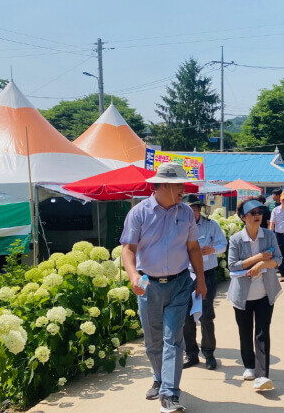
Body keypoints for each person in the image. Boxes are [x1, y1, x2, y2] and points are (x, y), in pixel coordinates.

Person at [120, 163, 207, 413]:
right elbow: (128, 248)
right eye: (178, 185)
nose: (183, 189)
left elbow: (192, 248)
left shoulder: (186, 213)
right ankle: (159, 377)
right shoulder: (139, 213)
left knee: (173, 339)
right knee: (153, 340)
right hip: (148, 283)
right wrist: (133, 275)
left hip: (180, 283)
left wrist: (200, 279)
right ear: (164, 186)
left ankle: (170, 393)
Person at [227, 199, 283, 391]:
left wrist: (263, 265)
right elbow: (232, 266)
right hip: (241, 296)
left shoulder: (269, 235)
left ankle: (262, 375)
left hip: (264, 294)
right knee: (244, 332)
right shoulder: (235, 239)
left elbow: (278, 259)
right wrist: (258, 258)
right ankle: (249, 365)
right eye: (252, 213)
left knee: (262, 333)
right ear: (243, 217)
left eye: (259, 211)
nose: (257, 215)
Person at [183, 195, 228, 370]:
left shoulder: (211, 226)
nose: (193, 212)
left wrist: (212, 250)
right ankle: (191, 354)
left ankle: (209, 353)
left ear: (200, 210)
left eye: (195, 209)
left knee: (206, 315)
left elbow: (223, 244)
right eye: (190, 209)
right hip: (186, 275)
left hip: (207, 274)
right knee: (187, 317)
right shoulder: (180, 227)